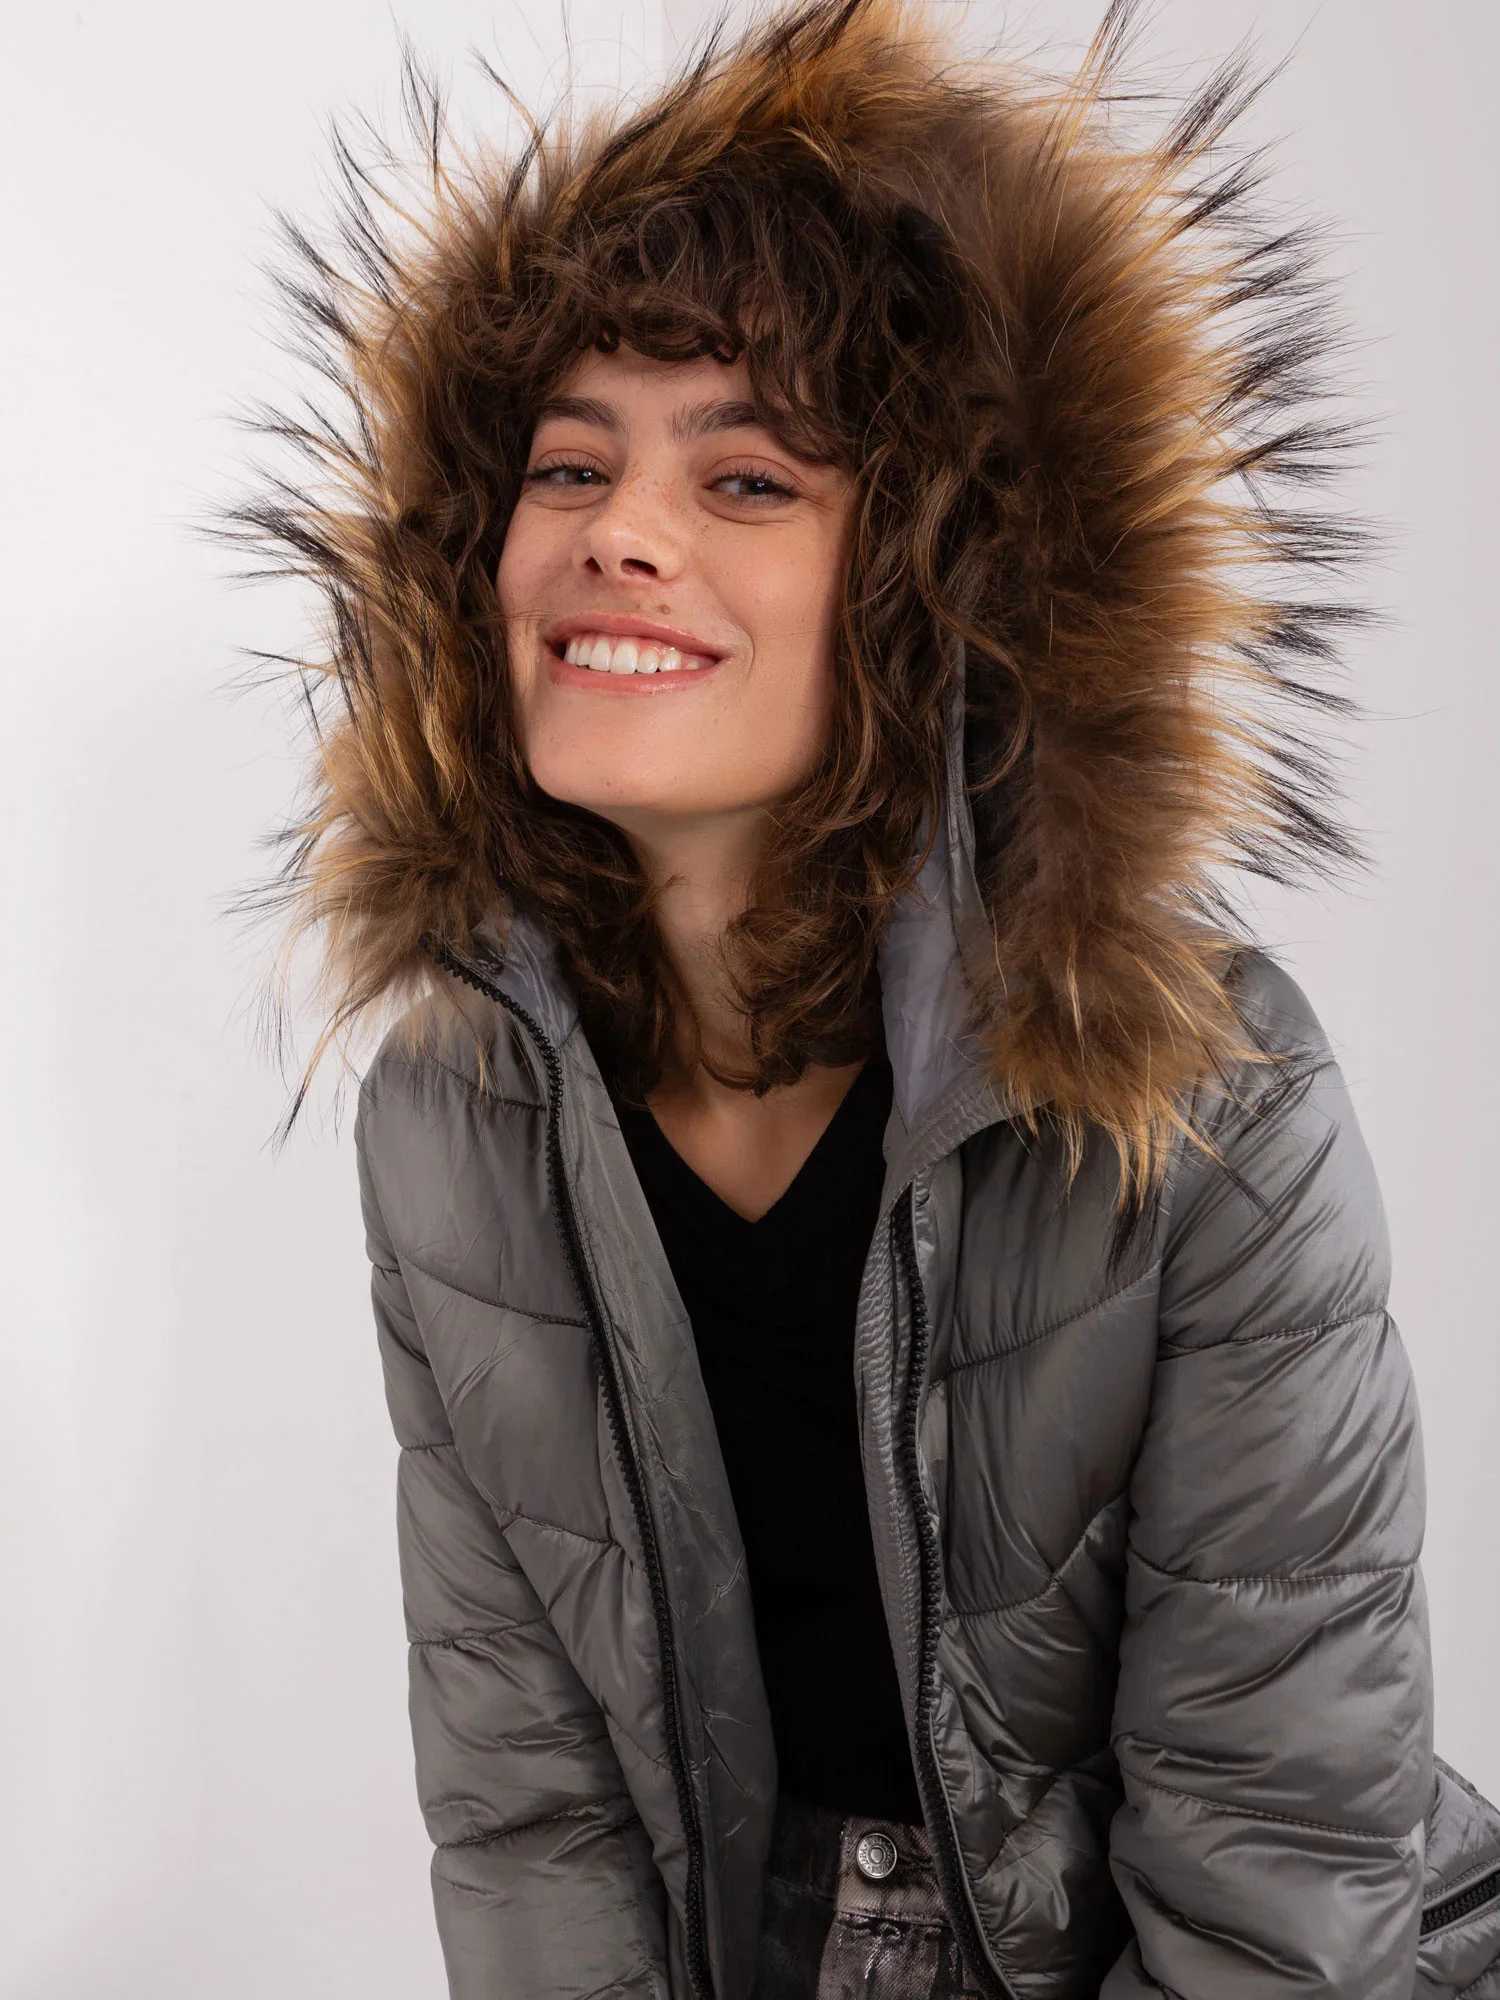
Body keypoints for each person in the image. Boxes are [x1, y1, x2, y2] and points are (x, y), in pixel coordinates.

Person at [227, 0, 1500, 1993]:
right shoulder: (452, 1113)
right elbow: (533, 1817)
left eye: (747, 481)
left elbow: (1272, 1870)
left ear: (928, 585)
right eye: (568, 464)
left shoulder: (1201, 1099)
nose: (618, 531)